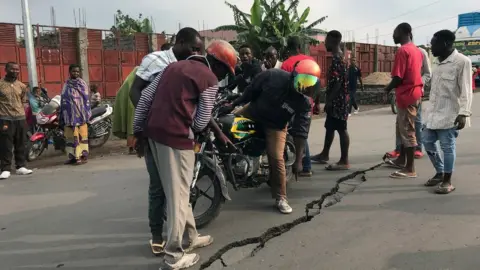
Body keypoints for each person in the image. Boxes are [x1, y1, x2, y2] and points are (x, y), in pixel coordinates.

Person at [133, 40, 237, 270]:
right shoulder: (209, 80)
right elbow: (201, 121)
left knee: (179, 189)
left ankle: (191, 236)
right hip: (176, 139)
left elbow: (144, 100)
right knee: (179, 196)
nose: (222, 77)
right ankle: (173, 256)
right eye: (225, 72)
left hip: (154, 134)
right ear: (217, 65)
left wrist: (138, 132)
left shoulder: (172, 67)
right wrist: (193, 131)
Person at [129, 27, 204, 255]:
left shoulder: (190, 66)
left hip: (178, 133)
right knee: (158, 185)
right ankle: (156, 234)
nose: (196, 52)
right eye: (193, 48)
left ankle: (190, 235)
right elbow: (136, 91)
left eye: (199, 50)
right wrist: (145, 125)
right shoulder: (156, 60)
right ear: (179, 42)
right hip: (156, 133)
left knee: (181, 185)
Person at [223, 59, 320, 214]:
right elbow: (251, 91)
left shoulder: (304, 102)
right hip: (253, 114)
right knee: (227, 128)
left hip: (276, 126)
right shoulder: (272, 76)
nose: (304, 86)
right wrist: (233, 104)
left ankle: (281, 198)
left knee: (276, 157)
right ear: (294, 75)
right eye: (302, 80)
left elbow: (301, 132)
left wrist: (299, 160)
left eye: (309, 82)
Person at [423, 30, 473, 194]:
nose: (432, 47)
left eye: (434, 43)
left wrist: (464, 113)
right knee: (427, 141)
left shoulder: (461, 62)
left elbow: (467, 89)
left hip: (450, 114)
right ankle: (440, 171)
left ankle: (447, 181)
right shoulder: (437, 63)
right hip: (433, 113)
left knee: (447, 147)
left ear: (445, 43)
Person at [383, 23, 423, 178]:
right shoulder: (416, 50)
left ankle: (410, 168)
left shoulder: (403, 50)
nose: (393, 35)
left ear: (404, 32)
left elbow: (398, 77)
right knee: (402, 128)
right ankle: (401, 159)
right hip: (414, 93)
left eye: (395, 32)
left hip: (407, 94)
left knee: (407, 131)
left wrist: (386, 89)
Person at [311, 30, 351, 171]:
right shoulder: (339, 57)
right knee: (330, 127)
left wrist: (329, 101)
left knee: (341, 128)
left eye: (326, 40)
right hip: (338, 100)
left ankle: (344, 161)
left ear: (333, 41)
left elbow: (338, 83)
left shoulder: (338, 59)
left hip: (338, 101)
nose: (324, 43)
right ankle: (324, 154)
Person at [386, 46, 431, 159]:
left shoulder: (421, 52)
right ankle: (399, 149)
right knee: (400, 121)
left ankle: (418, 148)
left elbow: (427, 73)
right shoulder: (401, 53)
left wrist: (417, 83)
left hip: (415, 91)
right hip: (403, 93)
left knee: (417, 121)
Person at [280, 37, 317, 177]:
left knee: (294, 133)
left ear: (288, 48)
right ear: (299, 47)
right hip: (309, 101)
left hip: (293, 102)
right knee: (302, 133)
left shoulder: (286, 64)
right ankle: (305, 164)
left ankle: (303, 165)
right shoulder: (310, 61)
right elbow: (317, 82)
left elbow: (284, 87)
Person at [0, 62, 33, 179]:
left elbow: (23, 101)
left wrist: (24, 115)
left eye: (17, 69)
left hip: (20, 118)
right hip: (5, 118)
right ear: (6, 70)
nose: (15, 71)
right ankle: (5, 169)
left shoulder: (22, 86)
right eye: (12, 69)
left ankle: (20, 167)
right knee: (6, 144)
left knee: (21, 143)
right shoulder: (0, 84)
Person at [60, 64, 91, 165]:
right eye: (74, 71)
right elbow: (63, 98)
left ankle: (81, 156)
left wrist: (86, 114)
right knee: (70, 137)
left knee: (81, 136)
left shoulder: (82, 84)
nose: (76, 73)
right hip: (69, 116)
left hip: (80, 116)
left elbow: (86, 99)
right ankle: (72, 157)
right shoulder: (66, 84)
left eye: (77, 71)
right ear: (69, 72)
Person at [112, 67, 138, 155]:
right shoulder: (137, 83)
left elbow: (120, 94)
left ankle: (131, 147)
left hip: (130, 108)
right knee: (135, 128)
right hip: (136, 106)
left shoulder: (127, 83)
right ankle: (135, 147)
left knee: (131, 128)